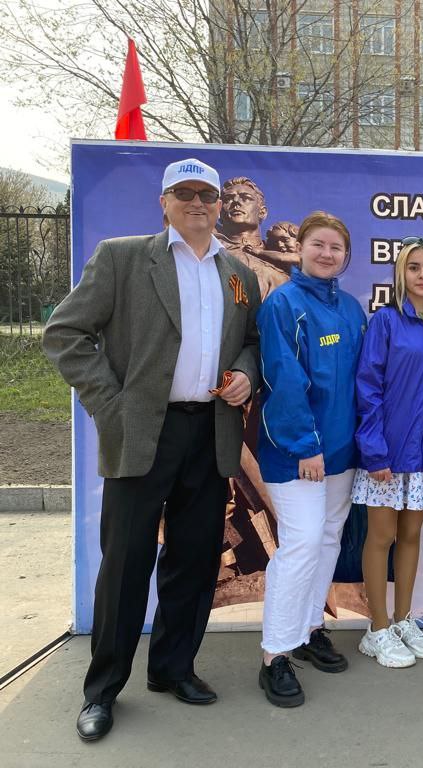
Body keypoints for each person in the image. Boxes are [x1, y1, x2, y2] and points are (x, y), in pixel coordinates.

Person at [43, 158, 261, 741]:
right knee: (126, 564)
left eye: (206, 194)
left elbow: (252, 341)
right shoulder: (122, 257)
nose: (197, 203)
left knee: (194, 560)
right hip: (142, 431)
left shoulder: (237, 272)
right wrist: (111, 405)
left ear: (218, 205)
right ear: (163, 203)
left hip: (209, 433)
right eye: (183, 193)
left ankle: (172, 668)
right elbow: (65, 334)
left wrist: (245, 372)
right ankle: (102, 691)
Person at [255, 211, 365, 707]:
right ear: (300, 249)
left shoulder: (351, 309)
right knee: (299, 545)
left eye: (336, 247)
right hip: (298, 454)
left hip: (342, 453)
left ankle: (308, 628)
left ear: (346, 256)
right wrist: (305, 446)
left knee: (327, 539)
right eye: (318, 244)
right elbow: (284, 379)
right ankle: (274, 654)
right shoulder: (283, 304)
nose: (326, 253)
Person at [353, 236, 423, 668]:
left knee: (412, 537)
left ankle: (402, 620)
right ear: (401, 273)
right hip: (388, 454)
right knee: (382, 537)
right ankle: (376, 628)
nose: (422, 275)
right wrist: (375, 451)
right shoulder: (385, 321)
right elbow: (368, 387)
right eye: (414, 267)